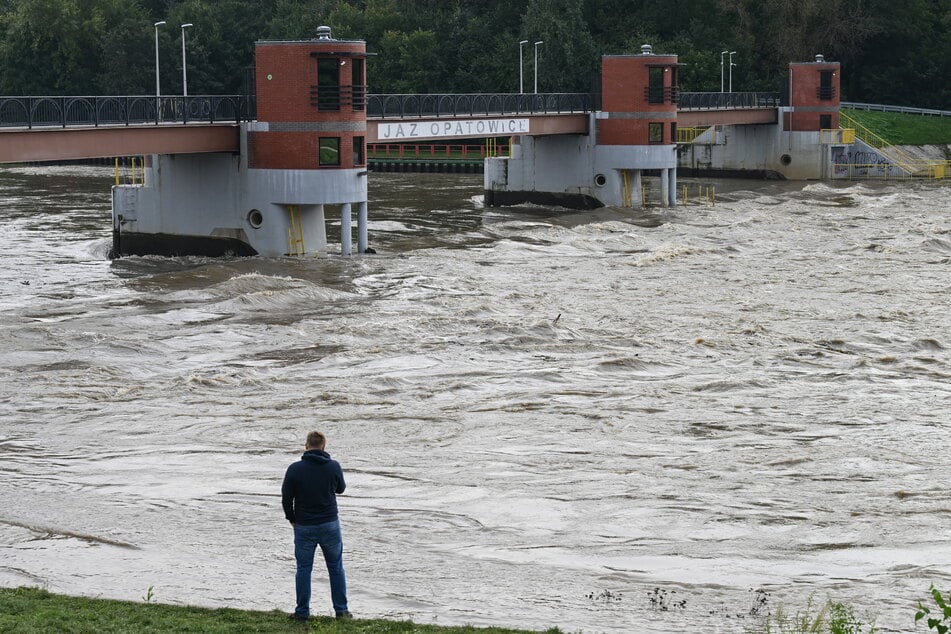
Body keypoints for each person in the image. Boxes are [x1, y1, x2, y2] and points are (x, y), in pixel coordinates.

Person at [281, 431, 352, 621]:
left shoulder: (295, 469)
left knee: (304, 568)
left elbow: (286, 498)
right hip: (329, 523)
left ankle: (302, 612)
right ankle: (342, 611)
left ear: (306, 446)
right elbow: (341, 489)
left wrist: (292, 518)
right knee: (335, 567)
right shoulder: (333, 466)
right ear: (324, 446)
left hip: (304, 525)